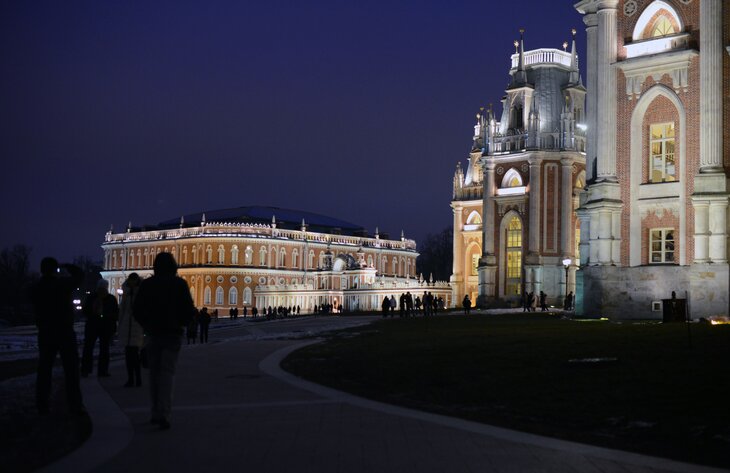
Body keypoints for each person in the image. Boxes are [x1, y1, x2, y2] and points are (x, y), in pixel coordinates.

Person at [133, 252, 196, 430]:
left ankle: (155, 412)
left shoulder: (148, 284)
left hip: (153, 334)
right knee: (167, 373)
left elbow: (137, 309)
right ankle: (164, 413)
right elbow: (188, 308)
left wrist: (146, 325)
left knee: (154, 373)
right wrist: (181, 323)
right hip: (172, 334)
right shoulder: (179, 284)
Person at [30, 258, 85, 415]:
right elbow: (80, 275)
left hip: (45, 331)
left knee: (44, 369)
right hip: (64, 331)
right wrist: (67, 265)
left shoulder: (36, 288)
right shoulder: (62, 285)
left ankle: (42, 404)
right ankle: (74, 404)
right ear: (55, 270)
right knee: (71, 370)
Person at [81, 279, 119, 377]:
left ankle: (87, 370)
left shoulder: (92, 297)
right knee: (101, 349)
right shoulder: (110, 299)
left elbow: (85, 311)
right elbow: (115, 314)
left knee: (91, 349)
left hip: (95, 326)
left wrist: (97, 314)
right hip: (102, 327)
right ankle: (100, 371)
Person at [118, 273, 144, 387]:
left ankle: (137, 378)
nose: (132, 283)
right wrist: (120, 323)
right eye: (130, 281)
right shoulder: (126, 294)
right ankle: (130, 378)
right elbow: (122, 310)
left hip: (136, 327)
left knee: (134, 354)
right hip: (126, 326)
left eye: (134, 281)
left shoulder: (141, 294)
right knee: (128, 355)